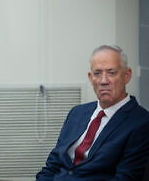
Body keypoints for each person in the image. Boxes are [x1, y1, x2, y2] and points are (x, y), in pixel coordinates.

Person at [36, 45, 149, 180]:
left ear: (127, 75)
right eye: (97, 73)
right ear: (90, 78)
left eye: (111, 72)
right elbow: (52, 165)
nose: (103, 81)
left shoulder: (141, 122)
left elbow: (125, 178)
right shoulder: (76, 113)